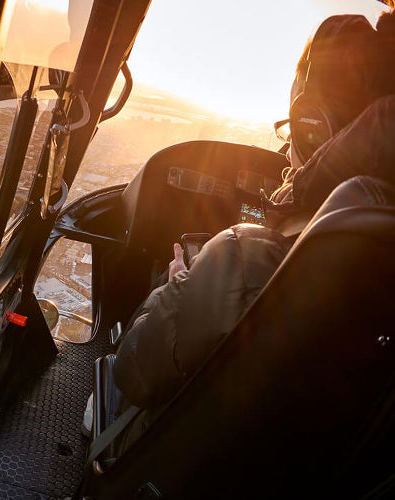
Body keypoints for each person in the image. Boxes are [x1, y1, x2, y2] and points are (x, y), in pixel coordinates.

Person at [112, 12, 395, 411]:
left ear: (311, 126)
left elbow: (130, 370)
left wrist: (177, 285)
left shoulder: (248, 258)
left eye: (292, 131)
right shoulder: (375, 241)